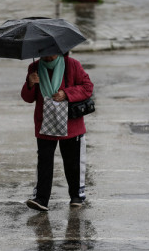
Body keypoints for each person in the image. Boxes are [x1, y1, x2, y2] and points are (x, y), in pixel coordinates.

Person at [21, 53, 94, 211]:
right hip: (45, 124)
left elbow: (87, 87)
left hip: (70, 124)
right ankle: (41, 199)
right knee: (44, 162)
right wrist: (30, 83)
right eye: (44, 55)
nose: (47, 58)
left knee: (72, 162)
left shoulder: (72, 64)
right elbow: (27, 98)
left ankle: (76, 196)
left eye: (51, 55)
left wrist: (67, 94)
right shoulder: (34, 68)